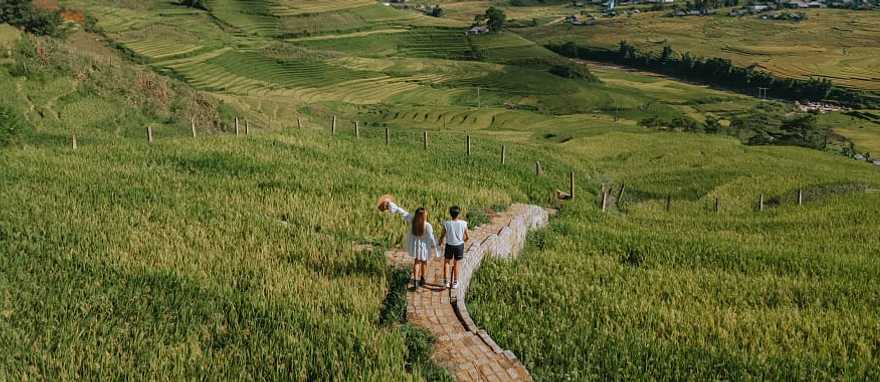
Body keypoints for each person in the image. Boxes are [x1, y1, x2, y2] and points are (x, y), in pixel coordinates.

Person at [379, 197, 439, 288]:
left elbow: (402, 211)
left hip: (416, 247)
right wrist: (436, 246)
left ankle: (415, 281)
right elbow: (432, 237)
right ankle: (422, 279)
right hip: (424, 248)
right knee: (424, 262)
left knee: (416, 262)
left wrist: (389, 204)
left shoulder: (413, 220)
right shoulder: (428, 225)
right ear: (424, 216)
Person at [439, 206, 469, 289]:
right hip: (459, 246)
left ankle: (446, 282)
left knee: (447, 262)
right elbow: (467, 237)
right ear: (458, 214)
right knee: (456, 263)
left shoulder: (447, 223)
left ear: (450, 214)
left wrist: (440, 241)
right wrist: (463, 241)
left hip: (449, 245)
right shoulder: (463, 223)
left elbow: (442, 235)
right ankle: (455, 282)